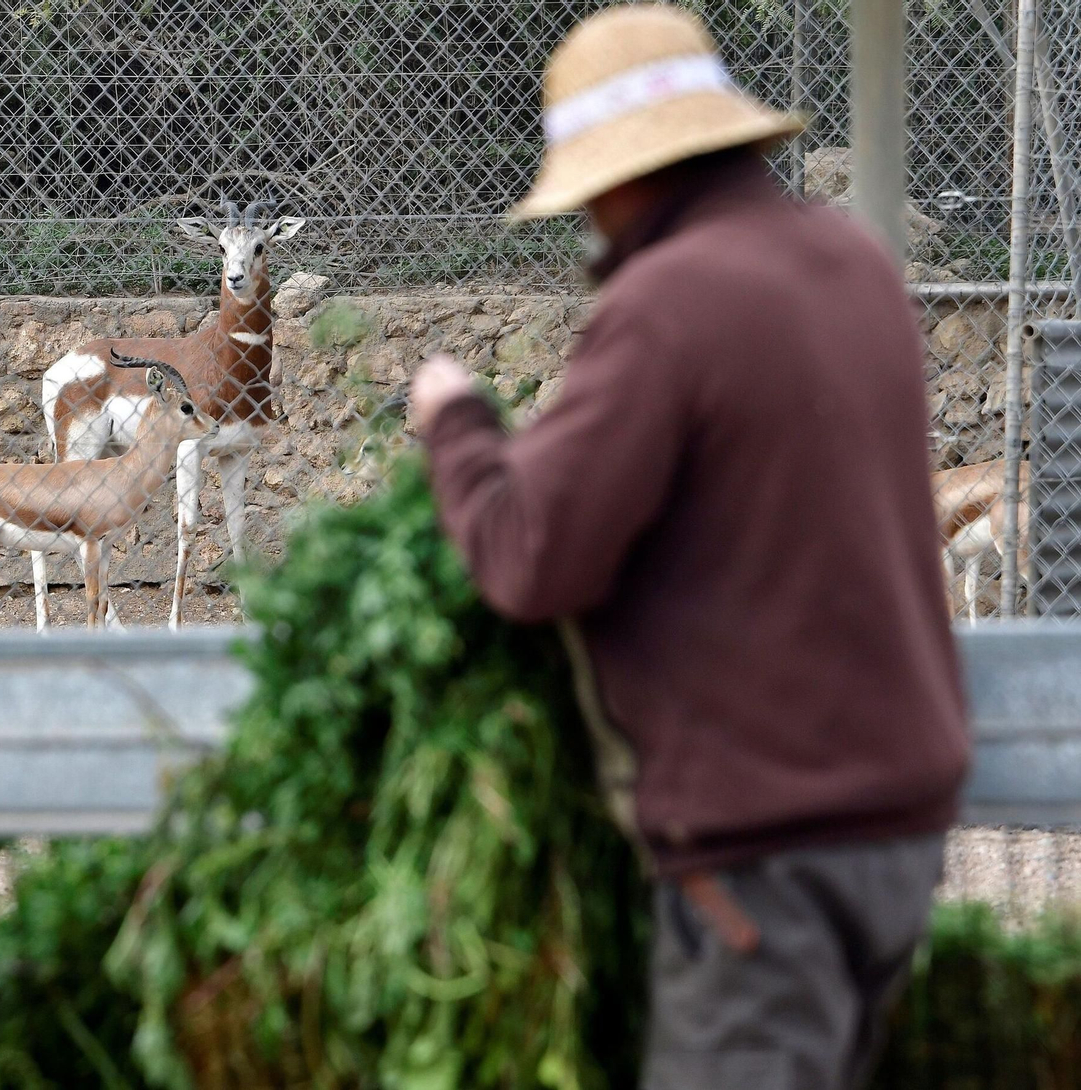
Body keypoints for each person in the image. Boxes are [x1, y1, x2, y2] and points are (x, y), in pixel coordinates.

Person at [409, 6, 969, 1089]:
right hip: (895, 832)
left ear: (623, 177)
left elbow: (531, 555)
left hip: (769, 852)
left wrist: (458, 425)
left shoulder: (669, 304)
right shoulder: (851, 265)